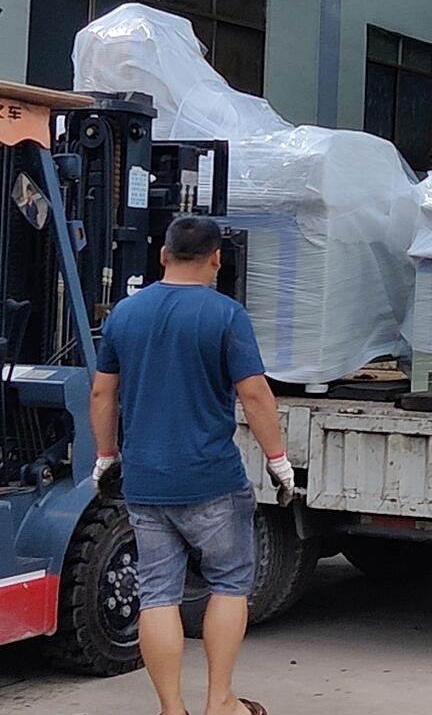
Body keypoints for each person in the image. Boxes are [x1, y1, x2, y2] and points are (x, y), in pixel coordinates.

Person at [90, 216, 296, 715]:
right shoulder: (226, 315)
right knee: (229, 584)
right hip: (212, 480)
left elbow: (102, 393)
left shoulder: (124, 314)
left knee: (157, 594)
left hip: (146, 483)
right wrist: (279, 461)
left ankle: (171, 708)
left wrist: (105, 456)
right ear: (217, 260)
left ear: (162, 255)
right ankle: (220, 701)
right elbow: (254, 393)